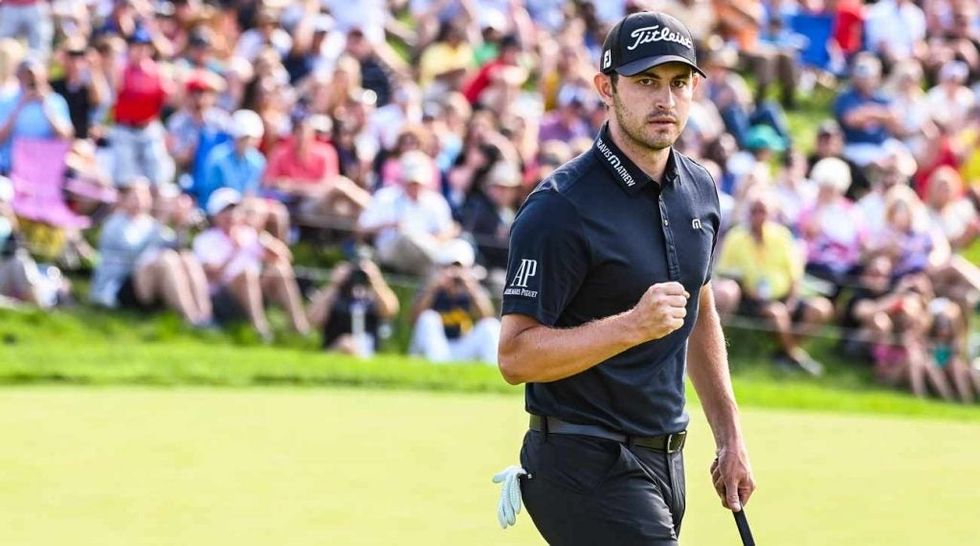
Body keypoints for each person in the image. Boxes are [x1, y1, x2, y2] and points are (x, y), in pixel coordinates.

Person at [494, 12, 755, 544]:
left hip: (664, 460)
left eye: (679, 83)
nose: (665, 100)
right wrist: (631, 326)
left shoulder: (699, 189)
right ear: (605, 89)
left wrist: (730, 436)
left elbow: (698, 309)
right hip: (579, 459)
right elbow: (515, 357)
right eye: (645, 82)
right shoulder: (560, 207)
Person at [716, 192, 833, 376]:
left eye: (763, 211)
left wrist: (792, 302)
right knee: (776, 312)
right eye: (755, 211)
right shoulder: (736, 237)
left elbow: (795, 274)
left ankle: (784, 353)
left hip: (783, 296)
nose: (759, 216)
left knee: (821, 308)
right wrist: (748, 290)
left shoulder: (782, 236)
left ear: (773, 214)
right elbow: (725, 272)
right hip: (750, 299)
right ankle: (796, 357)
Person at [90, 180, 213, 327]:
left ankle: (205, 317)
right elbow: (135, 254)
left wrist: (182, 225)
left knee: (187, 258)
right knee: (167, 259)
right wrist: (162, 220)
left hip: (144, 282)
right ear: (123, 199)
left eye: (143, 195)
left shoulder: (150, 224)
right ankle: (189, 319)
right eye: (134, 196)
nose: (139, 200)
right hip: (117, 286)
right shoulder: (114, 224)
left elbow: (175, 246)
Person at [192, 188, 309, 341]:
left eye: (234, 210)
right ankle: (260, 329)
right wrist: (234, 251)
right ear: (215, 215)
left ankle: (299, 328)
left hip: (255, 289)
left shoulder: (249, 234)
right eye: (225, 211)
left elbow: (285, 257)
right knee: (246, 274)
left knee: (279, 270)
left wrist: (262, 237)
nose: (230, 215)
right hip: (223, 297)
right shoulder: (205, 239)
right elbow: (212, 274)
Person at [409, 241, 499, 364]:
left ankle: (493, 371)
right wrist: (433, 288)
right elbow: (414, 320)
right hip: (436, 349)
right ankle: (437, 369)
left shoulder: (472, 289)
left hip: (461, 347)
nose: (454, 272)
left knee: (491, 325)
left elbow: (486, 316)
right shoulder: (430, 287)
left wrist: (471, 288)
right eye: (448, 267)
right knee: (428, 318)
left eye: (459, 267)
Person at [307, 258, 399, 357]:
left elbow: (391, 311)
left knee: (350, 344)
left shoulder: (374, 296)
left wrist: (376, 280)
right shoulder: (335, 296)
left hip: (367, 351)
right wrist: (333, 284)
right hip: (335, 349)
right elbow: (312, 320)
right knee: (346, 344)